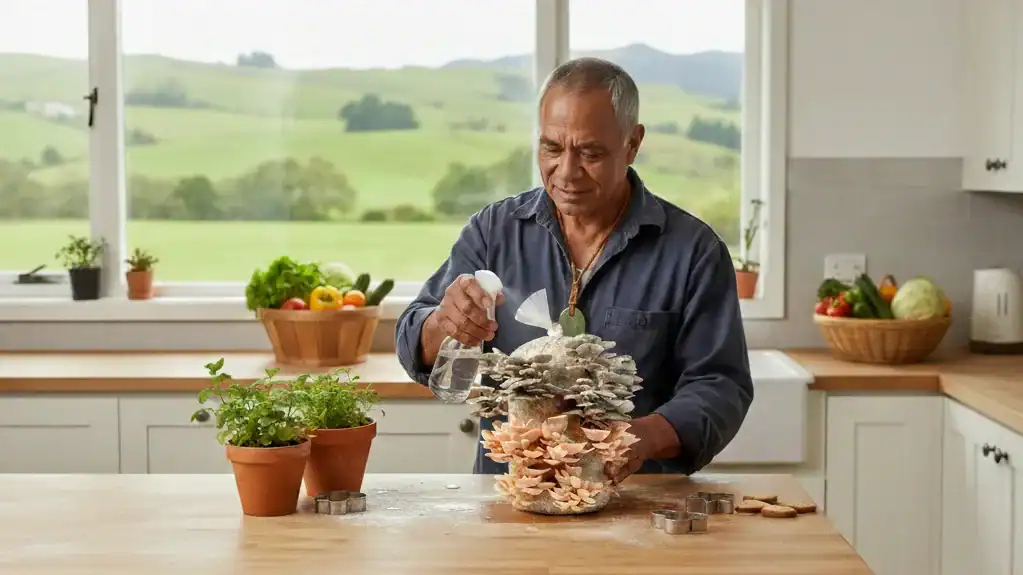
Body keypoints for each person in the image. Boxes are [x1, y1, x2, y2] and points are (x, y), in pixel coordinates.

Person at [395, 57, 753, 483]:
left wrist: (638, 439)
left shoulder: (693, 251)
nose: (566, 172)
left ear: (632, 143)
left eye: (590, 153)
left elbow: (720, 385)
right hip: (510, 497)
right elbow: (416, 338)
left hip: (638, 503)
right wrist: (442, 324)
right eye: (551, 148)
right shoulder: (494, 231)